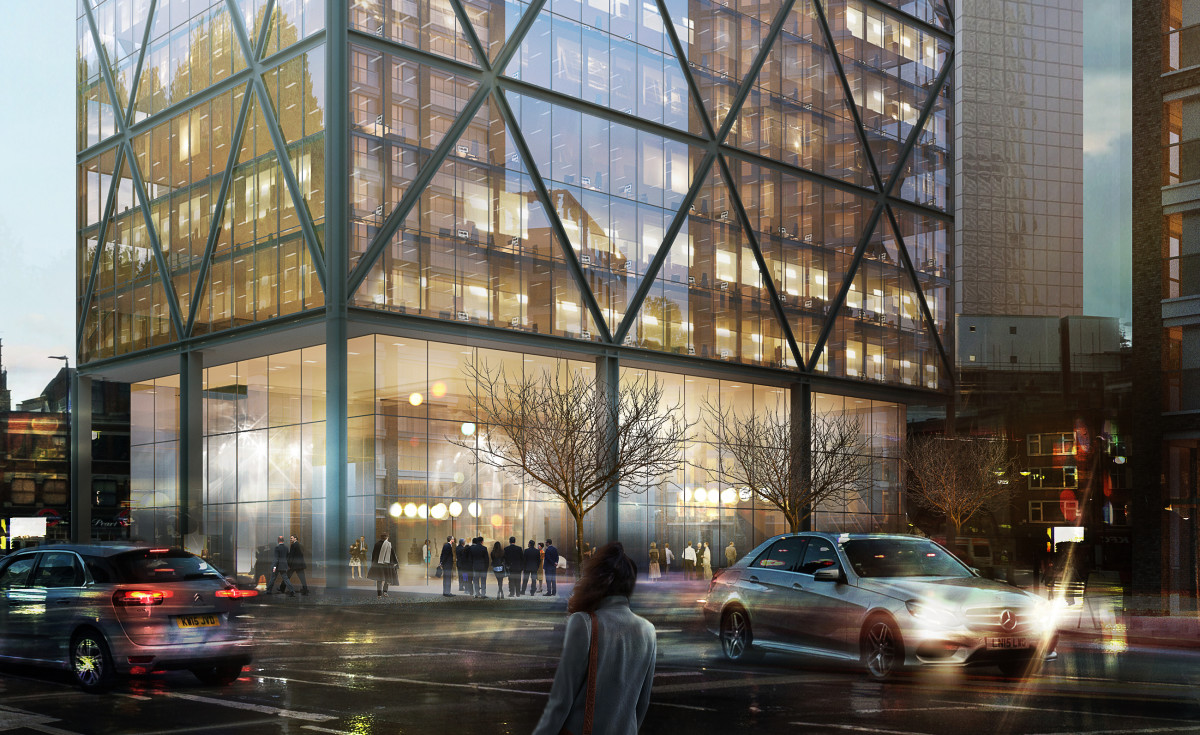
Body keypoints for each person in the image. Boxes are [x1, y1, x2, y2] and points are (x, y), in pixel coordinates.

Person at [530, 542, 656, 735]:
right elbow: (642, 702)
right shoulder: (648, 630)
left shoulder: (584, 622)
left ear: (596, 581)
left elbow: (562, 702)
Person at [369, 533, 398, 597]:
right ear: (387, 537)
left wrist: (373, 563)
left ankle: (379, 594)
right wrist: (395, 563)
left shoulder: (377, 544)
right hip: (387, 565)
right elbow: (392, 555)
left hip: (378, 564)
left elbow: (373, 554)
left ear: (381, 537)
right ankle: (385, 592)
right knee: (387, 579)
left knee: (379, 579)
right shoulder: (389, 544)